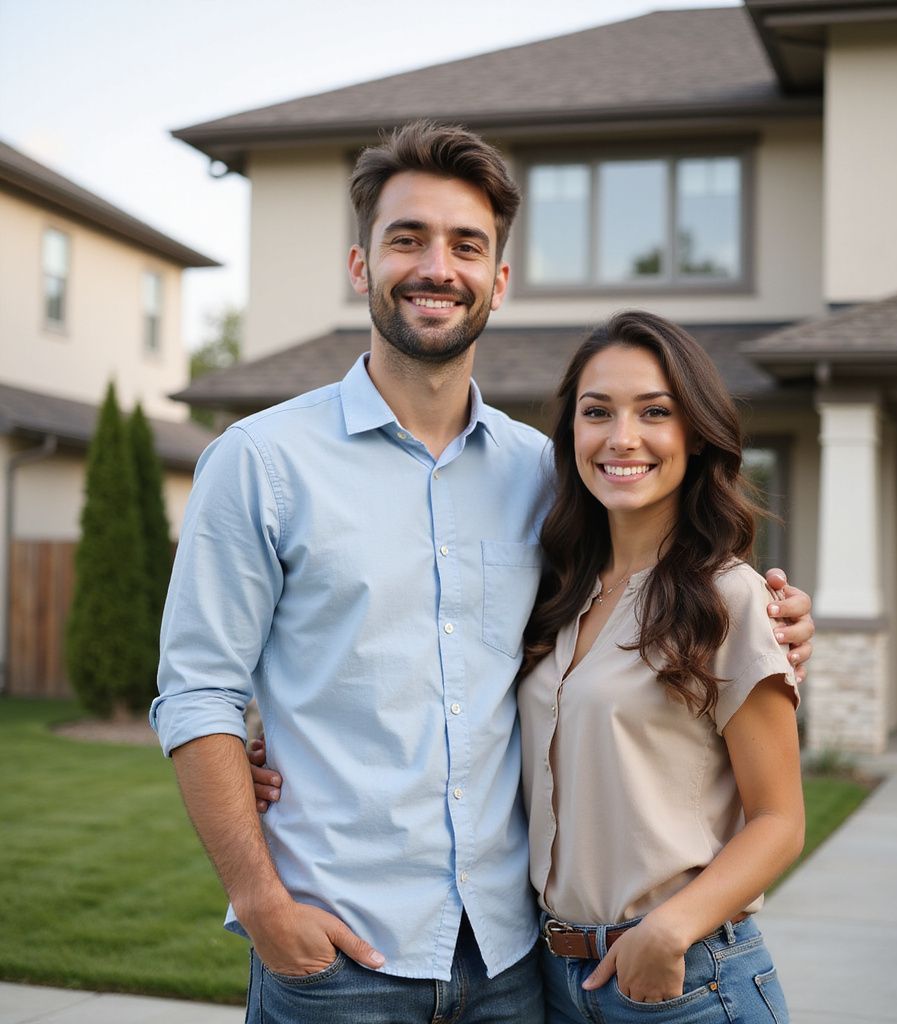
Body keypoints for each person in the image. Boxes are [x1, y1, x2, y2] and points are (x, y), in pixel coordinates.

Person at [153, 121, 813, 1024]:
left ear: (499, 281)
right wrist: (264, 907)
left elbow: (658, 601)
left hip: (512, 963)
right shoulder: (260, 461)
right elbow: (195, 692)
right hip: (336, 957)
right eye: (407, 239)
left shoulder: (544, 474)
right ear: (361, 266)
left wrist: (770, 619)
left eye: (467, 245)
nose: (438, 266)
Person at [518, 311, 803, 1021]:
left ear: (696, 435)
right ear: (571, 435)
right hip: (556, 980)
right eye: (597, 412)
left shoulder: (728, 596)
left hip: (685, 981)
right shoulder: (558, 590)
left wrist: (668, 930)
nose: (622, 438)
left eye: (655, 412)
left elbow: (779, 819)